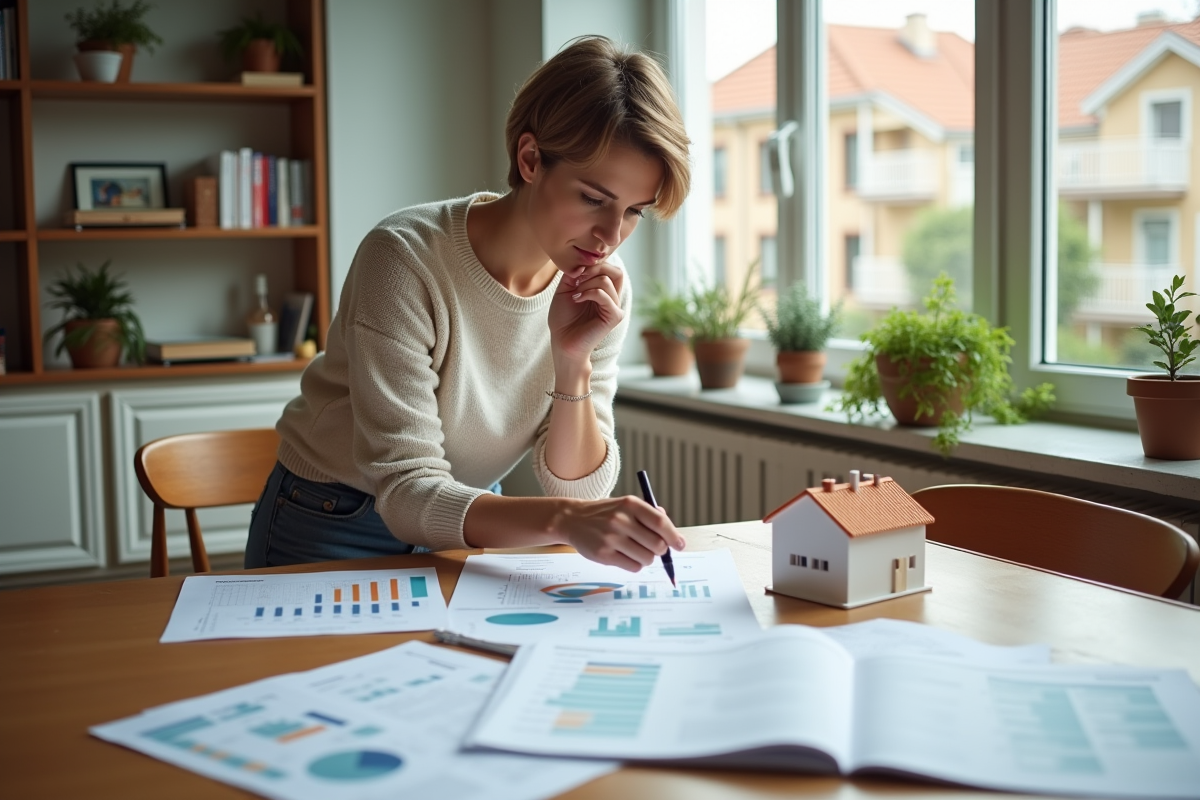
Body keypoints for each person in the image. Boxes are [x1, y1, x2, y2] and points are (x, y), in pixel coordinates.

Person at [245, 36, 692, 573]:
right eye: (593, 199)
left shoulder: (598, 289)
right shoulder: (404, 258)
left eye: (634, 211)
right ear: (530, 159)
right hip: (333, 517)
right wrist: (566, 520)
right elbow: (407, 486)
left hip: (467, 513)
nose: (610, 235)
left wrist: (572, 361)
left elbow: (581, 484)